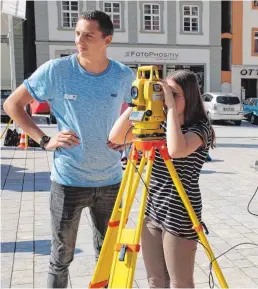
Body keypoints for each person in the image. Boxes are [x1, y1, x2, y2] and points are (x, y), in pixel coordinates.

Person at [3, 10, 135, 288]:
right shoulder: (57, 71)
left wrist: (128, 138)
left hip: (112, 181)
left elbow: (143, 112)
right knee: (60, 257)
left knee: (108, 256)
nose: (79, 40)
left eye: (88, 35)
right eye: (77, 33)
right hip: (68, 181)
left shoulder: (123, 75)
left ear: (107, 39)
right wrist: (44, 140)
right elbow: (12, 105)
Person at [108, 70, 215, 288]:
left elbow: (176, 150)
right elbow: (116, 137)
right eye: (163, 93)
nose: (166, 100)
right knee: (155, 280)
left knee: (180, 282)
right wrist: (139, 102)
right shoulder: (158, 125)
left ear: (191, 97)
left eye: (173, 94)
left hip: (182, 210)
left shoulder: (201, 128)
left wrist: (171, 110)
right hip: (153, 209)